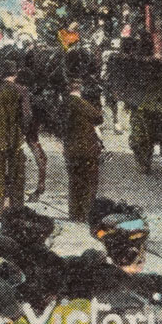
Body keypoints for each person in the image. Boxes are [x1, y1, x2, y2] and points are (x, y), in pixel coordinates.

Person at [0, 61, 26, 218]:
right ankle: (17, 209)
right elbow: (26, 116)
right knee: (17, 175)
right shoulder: (21, 90)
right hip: (15, 139)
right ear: (15, 74)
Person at [63, 80, 103, 222]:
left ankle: (74, 213)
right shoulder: (79, 103)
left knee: (74, 181)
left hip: (70, 149)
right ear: (80, 89)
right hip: (87, 149)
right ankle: (86, 213)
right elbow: (98, 117)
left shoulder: (62, 105)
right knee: (89, 182)